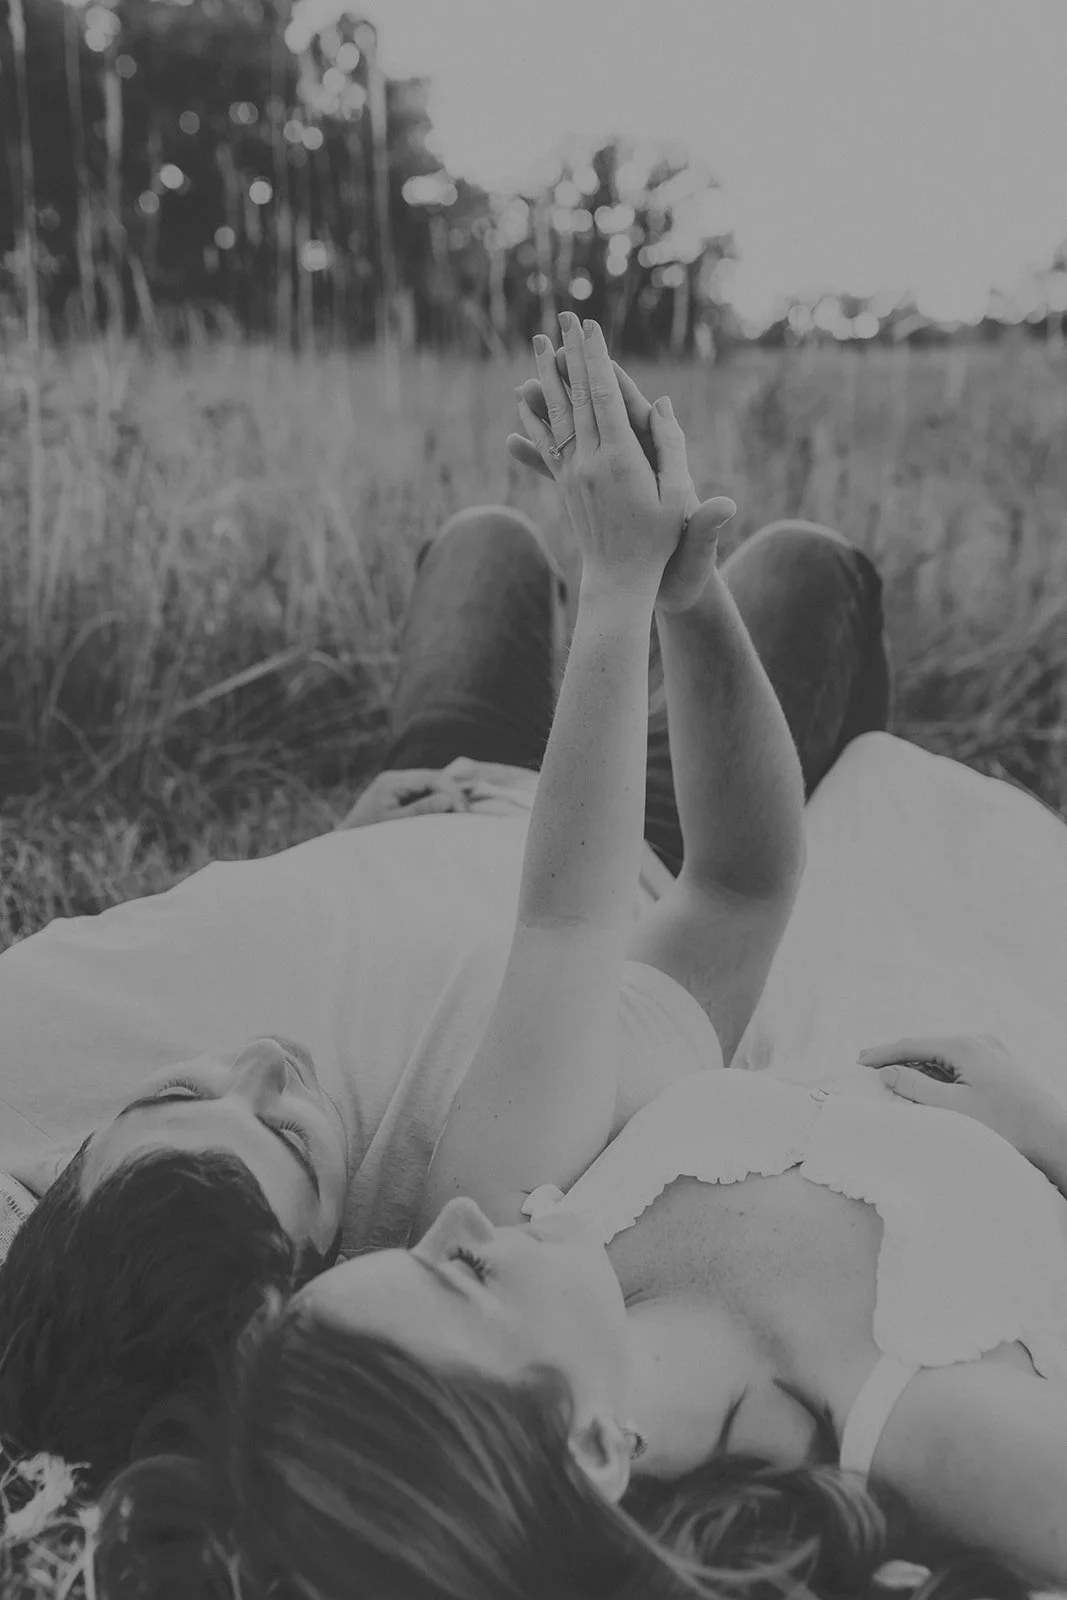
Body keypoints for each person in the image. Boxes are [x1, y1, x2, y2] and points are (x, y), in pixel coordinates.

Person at [104, 318, 1067, 1600]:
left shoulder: (531, 1200)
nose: (434, 1217)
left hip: (524, 804)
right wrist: (1048, 1139)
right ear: (594, 1446)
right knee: (816, 571)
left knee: (485, 547)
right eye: (453, 1271)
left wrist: (666, 595)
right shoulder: (920, 1425)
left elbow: (655, 899)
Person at [0, 326, 893, 1487]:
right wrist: (654, 591)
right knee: (808, 568)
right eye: (283, 1130)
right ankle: (863, 750)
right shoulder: (491, 1184)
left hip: (433, 791)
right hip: (639, 815)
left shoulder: (83, 1211)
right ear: (323, 1276)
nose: (260, 1059)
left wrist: (341, 852)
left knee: (485, 546)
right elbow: (682, 894)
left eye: (180, 1086)